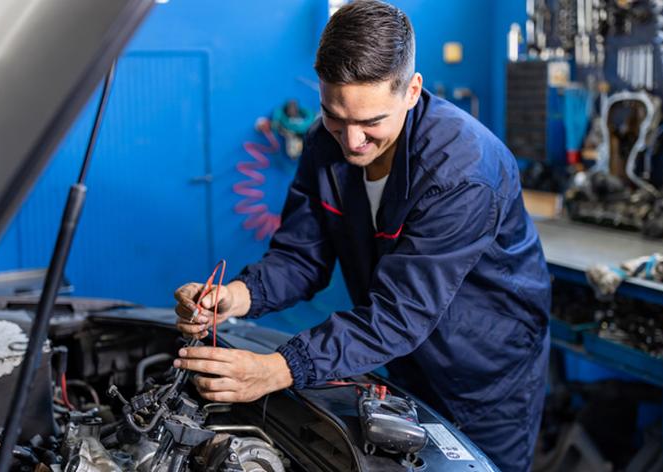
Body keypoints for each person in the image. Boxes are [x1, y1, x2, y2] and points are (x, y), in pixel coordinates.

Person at [172, 1, 551, 470]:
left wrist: (278, 368)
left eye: (372, 123)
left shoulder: (463, 172)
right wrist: (235, 296)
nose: (352, 142)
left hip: (483, 376)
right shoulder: (323, 143)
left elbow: (399, 312)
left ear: (412, 91)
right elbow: (301, 257)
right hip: (402, 361)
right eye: (336, 116)